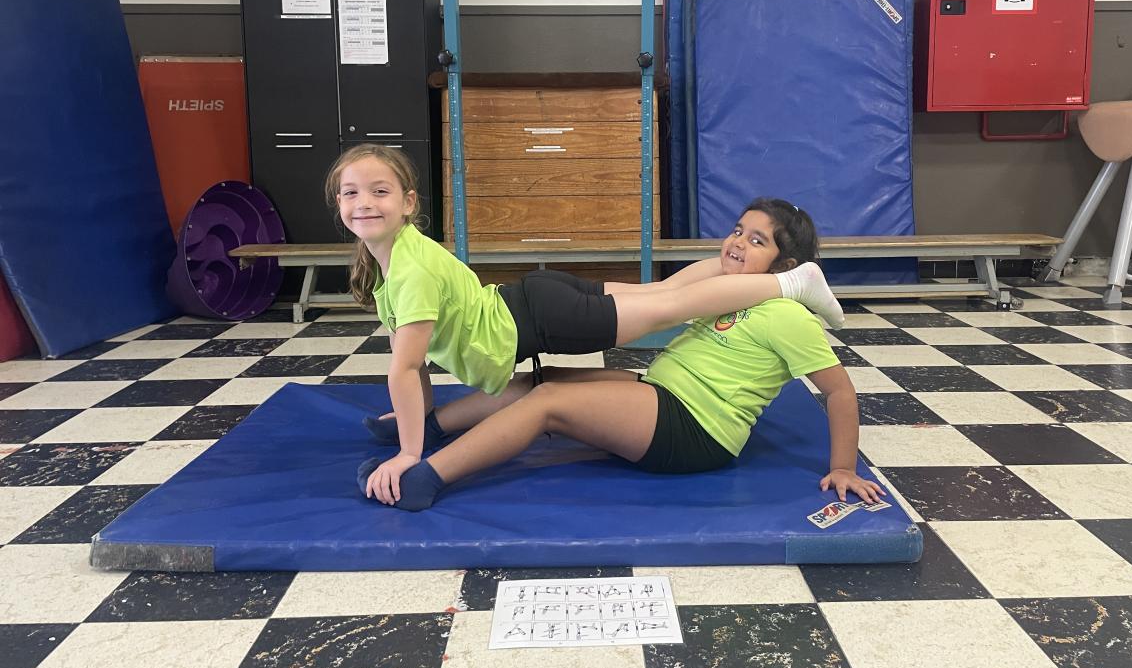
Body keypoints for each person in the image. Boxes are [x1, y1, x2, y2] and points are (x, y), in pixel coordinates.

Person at [326, 144, 846, 503]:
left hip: (694, 430)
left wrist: (842, 465)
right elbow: (686, 286)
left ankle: (427, 476)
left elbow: (840, 392)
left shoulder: (784, 315)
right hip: (658, 390)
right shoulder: (735, 292)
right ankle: (437, 427)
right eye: (736, 231)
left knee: (550, 401)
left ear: (785, 267)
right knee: (552, 376)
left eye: (756, 241)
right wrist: (737, 255)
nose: (735, 243)